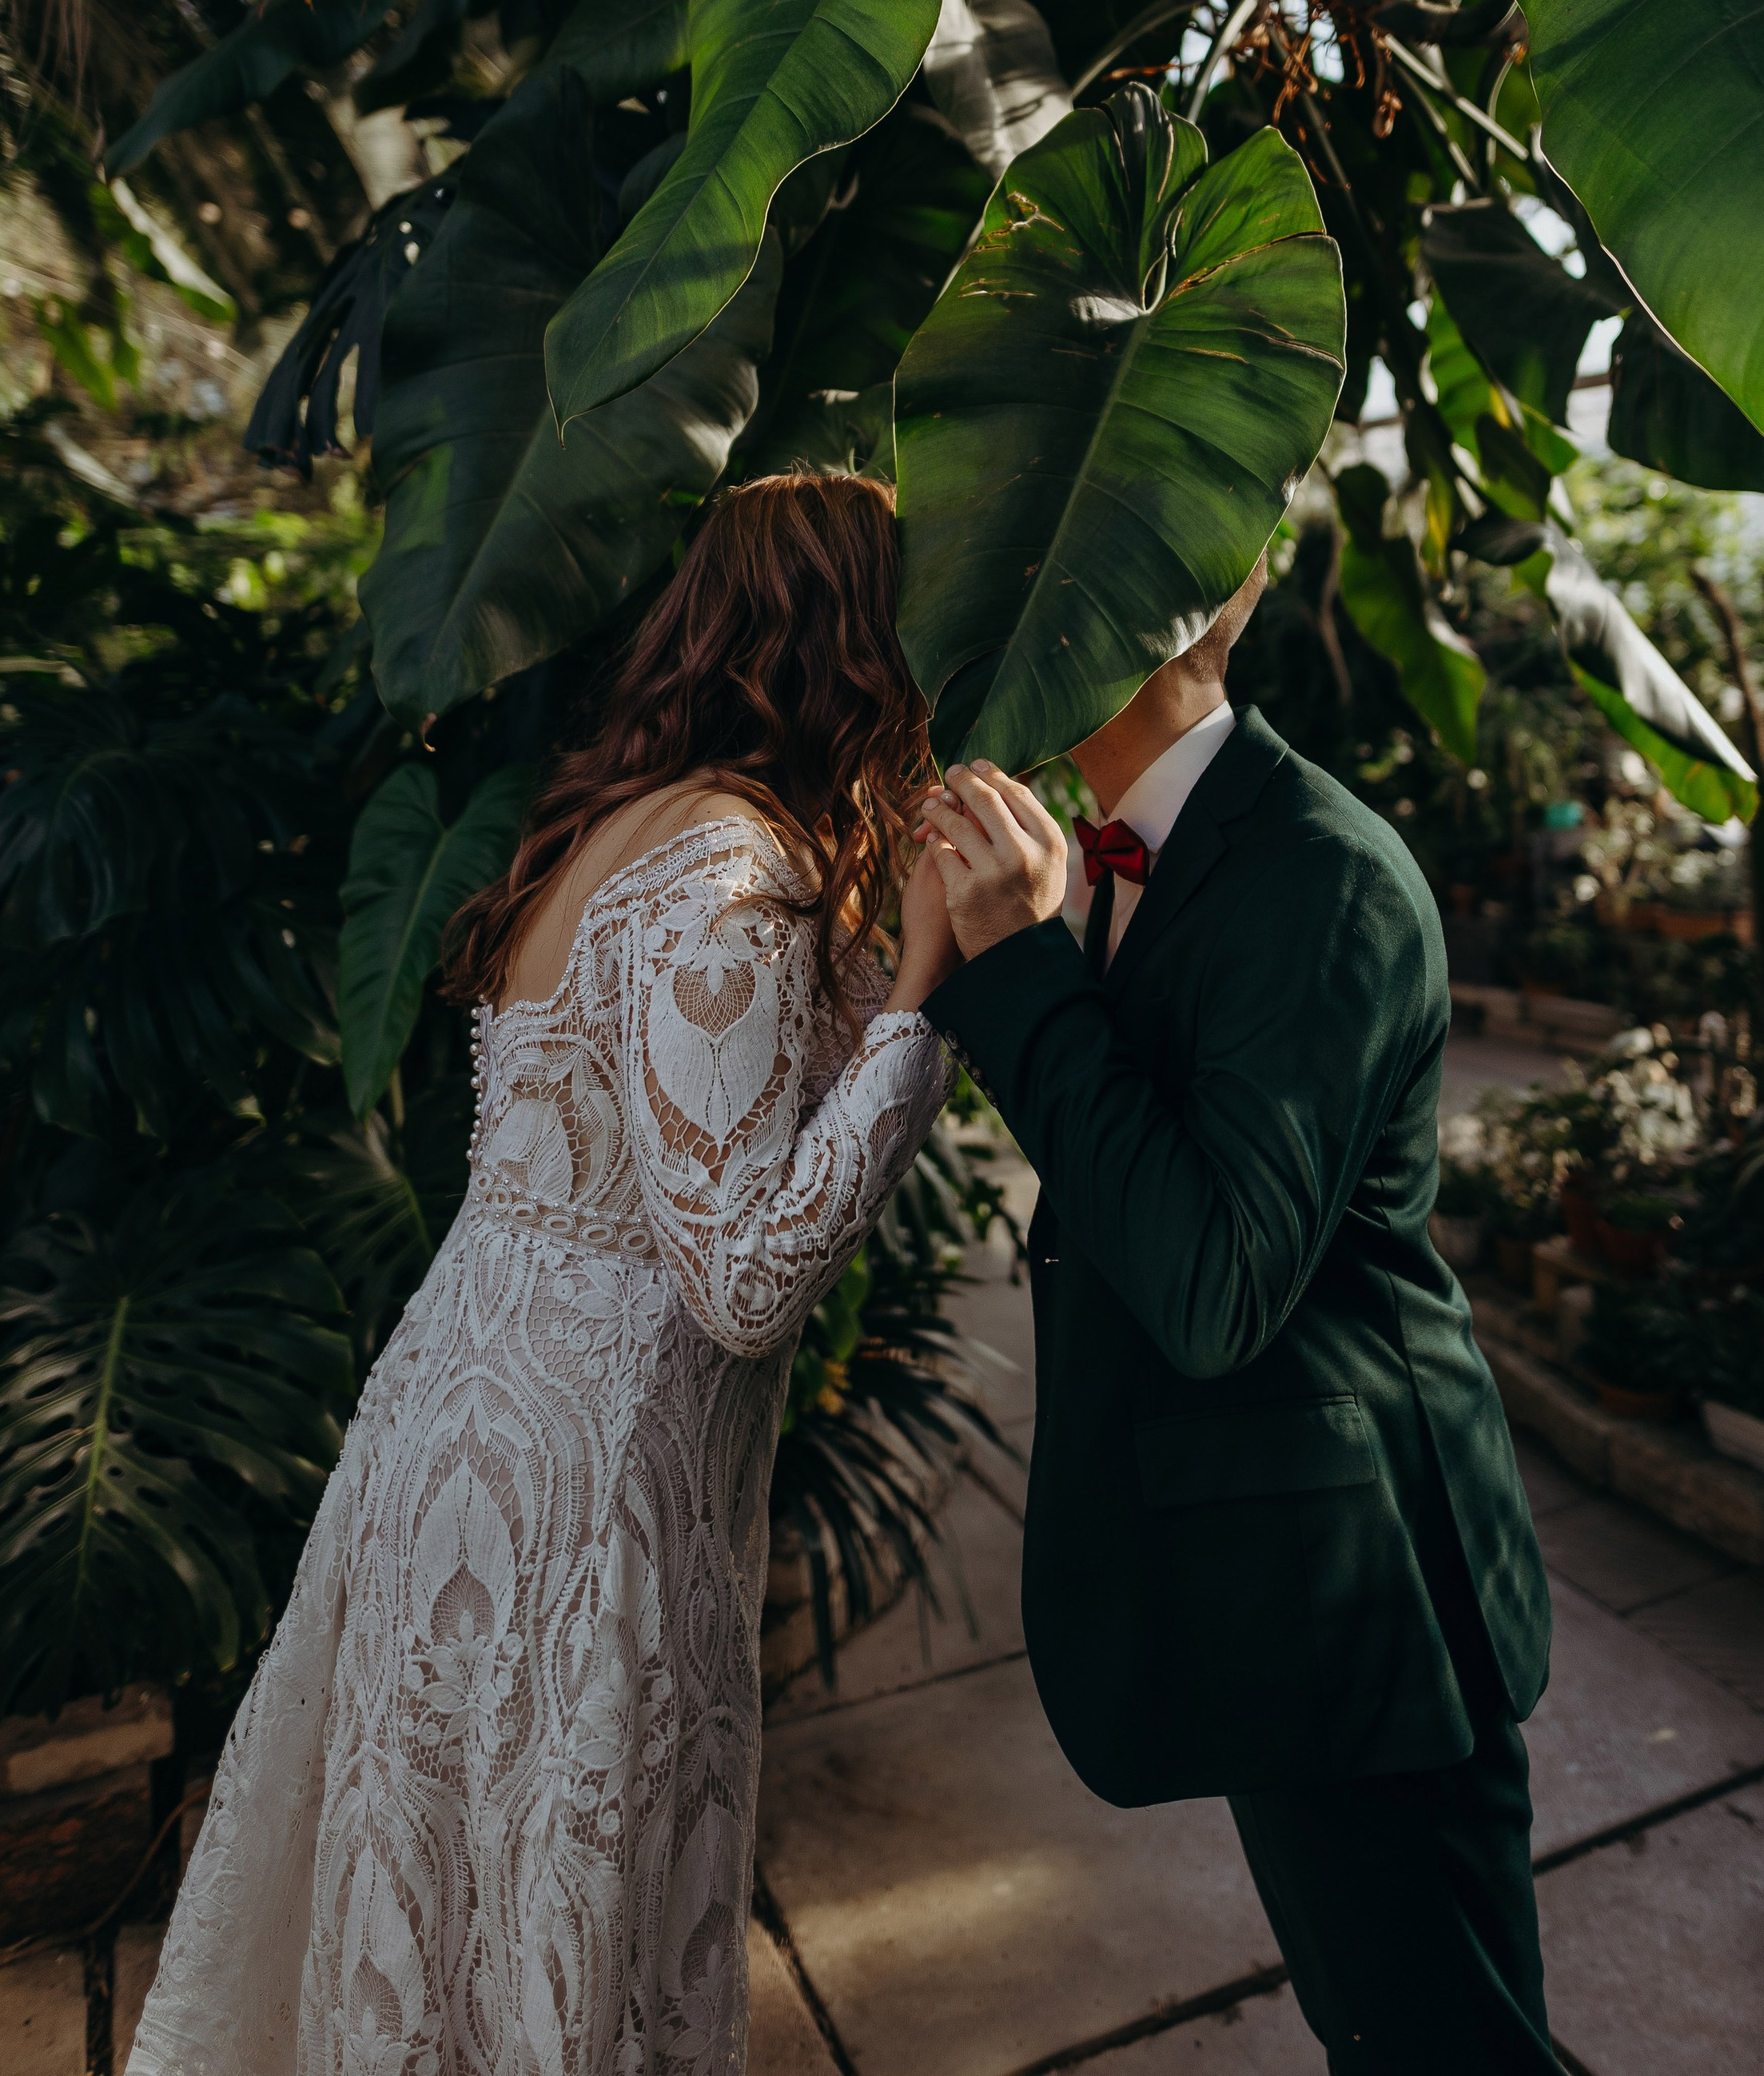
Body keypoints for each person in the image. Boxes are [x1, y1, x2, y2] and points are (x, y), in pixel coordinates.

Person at [127, 473, 958, 2076]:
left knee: (444, 1927)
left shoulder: (627, 825)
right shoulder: (729, 876)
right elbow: (744, 1273)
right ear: (855, 648)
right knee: (569, 1939)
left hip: (451, 1432)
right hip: (584, 1490)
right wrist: (926, 995)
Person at [918, 560, 1558, 2074]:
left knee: (1448, 2047)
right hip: (1270, 1587)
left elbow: (1212, 1284)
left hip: (1370, 1603)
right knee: (1374, 2027)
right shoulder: (1136, 857)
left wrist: (1020, 966)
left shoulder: (1322, 876)